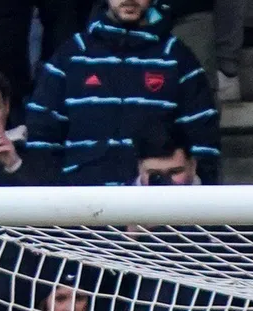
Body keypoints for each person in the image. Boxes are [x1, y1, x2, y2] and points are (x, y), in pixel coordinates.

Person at [25, 0, 221, 185]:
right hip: (81, 209)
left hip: (155, 212)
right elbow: (41, 138)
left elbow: (204, 146)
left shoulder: (178, 58)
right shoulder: (70, 56)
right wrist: (55, 205)